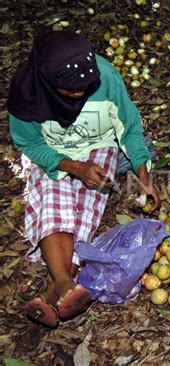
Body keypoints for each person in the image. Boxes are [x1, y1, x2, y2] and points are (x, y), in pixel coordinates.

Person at [7, 30, 160, 327]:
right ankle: (66, 282)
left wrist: (144, 175)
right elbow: (28, 143)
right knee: (52, 197)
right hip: (51, 153)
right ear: (48, 83)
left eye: (85, 88)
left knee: (85, 209)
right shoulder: (27, 94)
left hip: (99, 146)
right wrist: (72, 167)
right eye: (70, 90)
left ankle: (57, 289)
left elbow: (129, 128)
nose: (79, 94)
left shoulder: (105, 76)